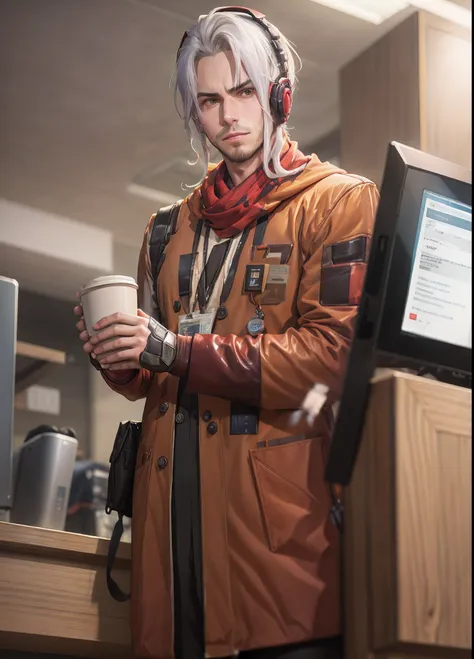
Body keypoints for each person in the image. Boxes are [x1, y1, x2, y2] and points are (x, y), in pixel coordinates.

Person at [74, 7, 378, 659]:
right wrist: (118, 355)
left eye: (243, 92)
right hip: (169, 548)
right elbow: (148, 381)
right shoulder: (165, 229)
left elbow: (329, 360)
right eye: (209, 100)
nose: (229, 116)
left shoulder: (339, 201)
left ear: (280, 93)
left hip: (278, 560)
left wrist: (171, 348)